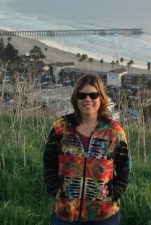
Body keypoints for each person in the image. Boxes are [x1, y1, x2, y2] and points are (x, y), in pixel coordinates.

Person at [43, 74, 130, 225]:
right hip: (65, 212)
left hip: (104, 215)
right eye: (82, 95)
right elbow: (49, 161)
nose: (87, 99)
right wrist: (55, 189)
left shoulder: (114, 131)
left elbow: (125, 167)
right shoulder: (61, 127)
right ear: (76, 99)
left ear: (101, 98)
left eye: (93, 95)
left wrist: (114, 194)